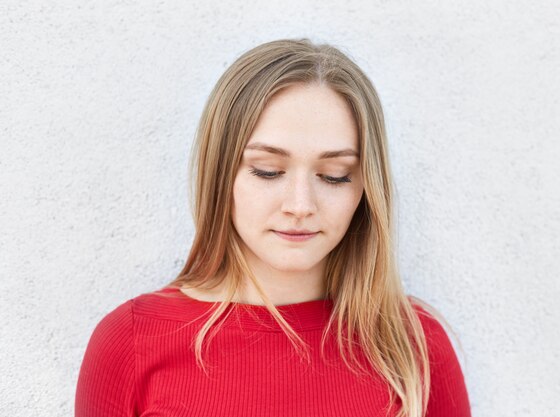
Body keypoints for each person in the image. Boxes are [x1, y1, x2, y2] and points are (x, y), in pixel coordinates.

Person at [75, 38, 471, 417]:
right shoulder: (132, 341)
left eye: (334, 176)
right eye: (268, 171)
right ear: (221, 174)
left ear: (366, 189)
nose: (300, 206)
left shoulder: (414, 345)